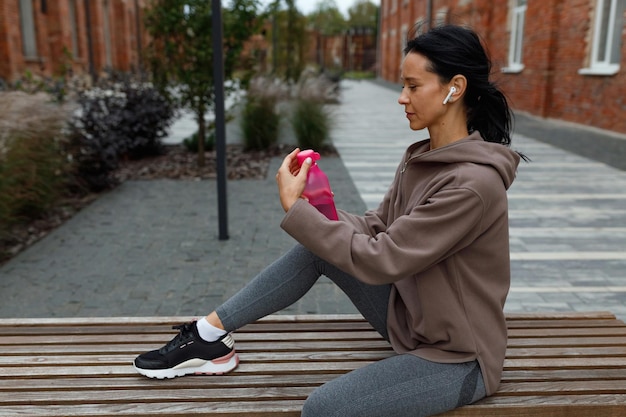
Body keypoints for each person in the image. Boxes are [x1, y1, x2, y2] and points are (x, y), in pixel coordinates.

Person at [134, 23, 524, 417]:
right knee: (316, 249)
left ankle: (208, 338)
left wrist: (297, 211)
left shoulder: (472, 185)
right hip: (411, 320)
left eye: (413, 86)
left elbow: (382, 258)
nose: (402, 98)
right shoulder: (421, 157)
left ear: (454, 88)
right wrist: (315, 205)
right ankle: (208, 336)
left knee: (324, 409)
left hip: (457, 357)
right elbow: (377, 227)